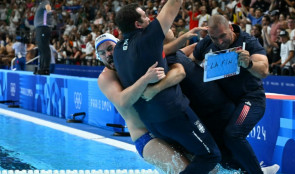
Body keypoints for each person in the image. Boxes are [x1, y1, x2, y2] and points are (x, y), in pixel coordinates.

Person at [113, 2, 221, 173]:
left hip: (152, 122)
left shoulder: (118, 50)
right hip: (174, 114)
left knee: (195, 161)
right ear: (137, 24)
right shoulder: (148, 37)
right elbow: (173, 5)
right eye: (144, 16)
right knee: (211, 156)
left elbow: (161, 49)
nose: (149, 18)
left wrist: (184, 37)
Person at [190, 14, 279, 174]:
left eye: (223, 36)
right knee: (218, 144)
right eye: (214, 38)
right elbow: (191, 62)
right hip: (224, 104)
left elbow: (264, 70)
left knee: (233, 135)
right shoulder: (207, 43)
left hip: (250, 99)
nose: (220, 42)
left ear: (231, 27)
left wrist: (249, 63)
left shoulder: (248, 41)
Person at [96, 33, 190, 174]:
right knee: (184, 170)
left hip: (166, 127)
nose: (108, 54)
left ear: (120, 46)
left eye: (110, 48)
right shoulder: (106, 77)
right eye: (102, 53)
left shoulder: (133, 60)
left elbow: (170, 51)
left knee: (208, 166)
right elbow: (123, 101)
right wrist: (146, 79)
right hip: (145, 136)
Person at [34, 0, 53, 75]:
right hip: (40, 28)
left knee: (44, 48)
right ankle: (41, 68)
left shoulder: (45, 1)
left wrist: (49, 12)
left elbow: (48, 7)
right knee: (41, 49)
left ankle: (46, 68)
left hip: (43, 28)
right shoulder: (41, 4)